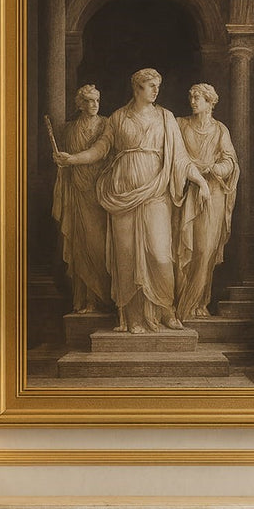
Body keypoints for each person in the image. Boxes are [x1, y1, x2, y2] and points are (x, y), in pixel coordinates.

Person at [54, 68, 210, 334]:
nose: (156, 90)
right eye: (150, 85)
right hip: (121, 193)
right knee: (126, 256)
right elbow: (100, 149)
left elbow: (181, 158)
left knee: (160, 254)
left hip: (155, 192)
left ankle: (165, 310)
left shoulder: (165, 117)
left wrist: (201, 181)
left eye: (158, 85)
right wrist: (74, 159)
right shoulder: (118, 117)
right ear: (137, 88)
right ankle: (132, 316)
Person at [176, 84, 239, 320]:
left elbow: (230, 161)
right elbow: (174, 156)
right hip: (186, 192)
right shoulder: (181, 125)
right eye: (191, 97)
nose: (193, 101)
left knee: (205, 251)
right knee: (183, 250)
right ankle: (179, 305)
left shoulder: (219, 130)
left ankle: (198, 303)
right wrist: (193, 173)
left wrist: (216, 169)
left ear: (210, 102)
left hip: (213, 194)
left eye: (198, 98)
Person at [51, 85, 110, 313]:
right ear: (80, 104)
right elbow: (63, 160)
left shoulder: (106, 125)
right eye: (89, 101)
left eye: (97, 100)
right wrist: (60, 159)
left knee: (98, 245)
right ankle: (86, 300)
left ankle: (102, 298)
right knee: (79, 246)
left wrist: (72, 159)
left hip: (99, 192)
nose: (94, 105)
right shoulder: (69, 129)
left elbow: (108, 155)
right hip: (77, 193)